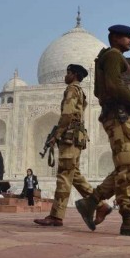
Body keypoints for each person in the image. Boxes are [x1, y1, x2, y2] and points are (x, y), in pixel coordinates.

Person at [75, 24, 130, 237]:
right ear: (115, 38)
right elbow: (112, 86)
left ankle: (90, 202)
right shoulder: (112, 56)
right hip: (119, 116)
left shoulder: (122, 59)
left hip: (125, 117)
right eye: (127, 37)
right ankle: (128, 218)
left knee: (126, 166)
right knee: (127, 167)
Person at [34, 64, 112, 227]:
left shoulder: (71, 89)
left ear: (75, 75)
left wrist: (56, 135)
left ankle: (56, 216)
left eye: (68, 73)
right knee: (73, 174)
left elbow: (67, 114)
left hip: (69, 136)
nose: (66, 75)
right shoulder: (81, 92)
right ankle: (100, 205)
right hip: (77, 137)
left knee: (63, 175)